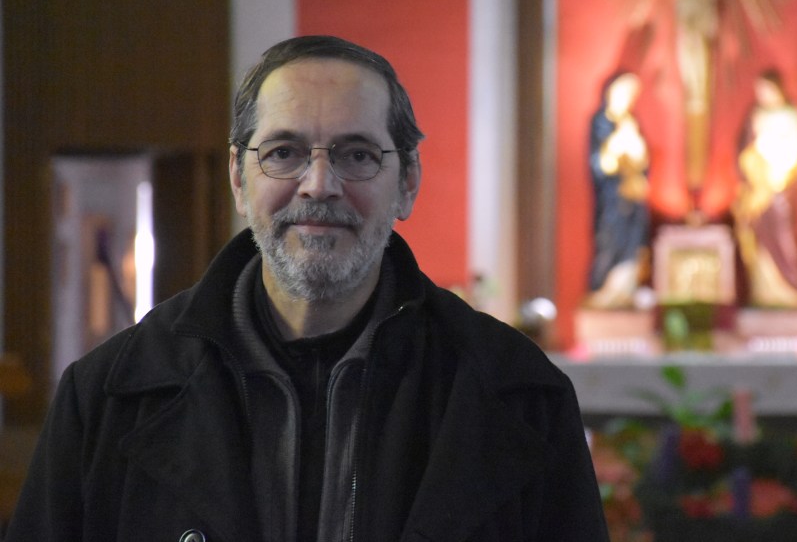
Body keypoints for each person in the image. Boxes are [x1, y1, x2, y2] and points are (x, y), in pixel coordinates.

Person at [8, 35, 609, 541]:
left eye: (356, 154)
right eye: (284, 152)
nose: (318, 185)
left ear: (407, 184)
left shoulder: (517, 395)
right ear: (240, 181)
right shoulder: (108, 396)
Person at [733, 68, 797, 308]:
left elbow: (796, 150)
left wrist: (779, 171)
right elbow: (744, 149)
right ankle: (766, 291)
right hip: (760, 187)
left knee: (783, 237)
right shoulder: (755, 115)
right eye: (759, 90)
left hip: (779, 185)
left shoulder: (791, 114)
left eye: (766, 89)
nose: (762, 94)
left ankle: (789, 288)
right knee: (760, 238)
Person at [586, 71, 650, 309]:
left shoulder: (631, 122)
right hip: (612, 198)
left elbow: (643, 162)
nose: (629, 98)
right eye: (625, 91)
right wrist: (616, 148)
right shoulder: (602, 122)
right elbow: (599, 164)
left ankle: (624, 294)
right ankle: (604, 292)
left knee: (632, 245)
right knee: (610, 242)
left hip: (632, 197)